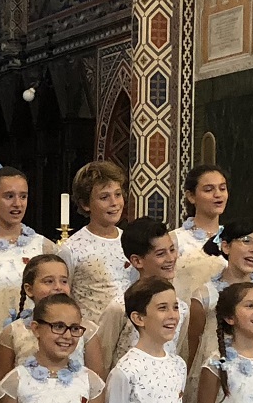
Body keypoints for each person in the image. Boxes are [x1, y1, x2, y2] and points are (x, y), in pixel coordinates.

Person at [89, 218, 204, 380]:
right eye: (161, 254)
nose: (171, 258)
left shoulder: (181, 308)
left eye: (172, 250)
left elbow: (178, 352)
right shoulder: (121, 307)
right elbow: (102, 360)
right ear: (137, 261)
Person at [0, 164, 56, 345]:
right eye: (9, 196)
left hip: (32, 340)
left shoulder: (43, 246)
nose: (17, 204)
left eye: (23, 196)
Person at [58, 160, 131, 328]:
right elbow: (63, 299)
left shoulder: (130, 241)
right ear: (85, 204)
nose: (114, 203)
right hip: (92, 338)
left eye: (118, 194)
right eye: (104, 197)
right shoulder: (72, 248)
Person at [0, 253, 74, 380]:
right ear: (29, 289)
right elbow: (0, 386)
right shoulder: (13, 333)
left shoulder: (85, 331)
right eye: (49, 281)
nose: (58, 287)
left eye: (64, 281)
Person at [175, 165, 229, 302]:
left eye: (222, 188)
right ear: (191, 196)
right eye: (209, 190)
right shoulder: (175, 240)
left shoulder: (233, 240)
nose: (218, 194)